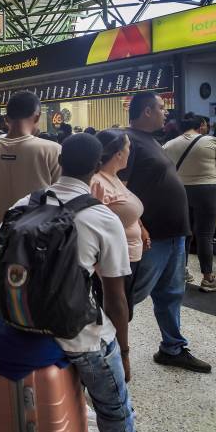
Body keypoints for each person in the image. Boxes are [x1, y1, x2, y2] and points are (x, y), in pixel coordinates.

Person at [0, 134, 180, 432]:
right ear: (96, 166)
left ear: (59, 164)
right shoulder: (101, 216)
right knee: (116, 407)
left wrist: (19, 307)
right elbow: (116, 298)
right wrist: (125, 351)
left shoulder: (26, 203)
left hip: (16, 326)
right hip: (77, 335)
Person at [120, 92, 211, 373]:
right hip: (151, 236)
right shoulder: (127, 142)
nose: (165, 113)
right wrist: (140, 225)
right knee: (127, 295)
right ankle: (102, 348)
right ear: (146, 111)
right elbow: (116, 188)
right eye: (161, 108)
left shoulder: (152, 141)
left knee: (171, 293)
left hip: (173, 234)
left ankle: (172, 348)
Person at [161, 113, 216, 292]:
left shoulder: (169, 144)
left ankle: (182, 272)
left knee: (184, 232)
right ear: (201, 125)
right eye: (206, 124)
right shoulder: (210, 140)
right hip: (206, 190)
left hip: (180, 190)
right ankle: (208, 278)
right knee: (205, 235)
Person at [0, 90, 61, 235]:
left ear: (7, 119)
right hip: (40, 248)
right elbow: (62, 209)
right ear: (37, 116)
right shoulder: (54, 151)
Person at [92, 129, 148, 311]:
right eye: (128, 147)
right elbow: (91, 224)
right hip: (112, 261)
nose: (130, 152)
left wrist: (141, 229)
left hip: (129, 256)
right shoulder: (96, 182)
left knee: (124, 310)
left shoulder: (114, 177)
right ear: (118, 153)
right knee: (114, 311)